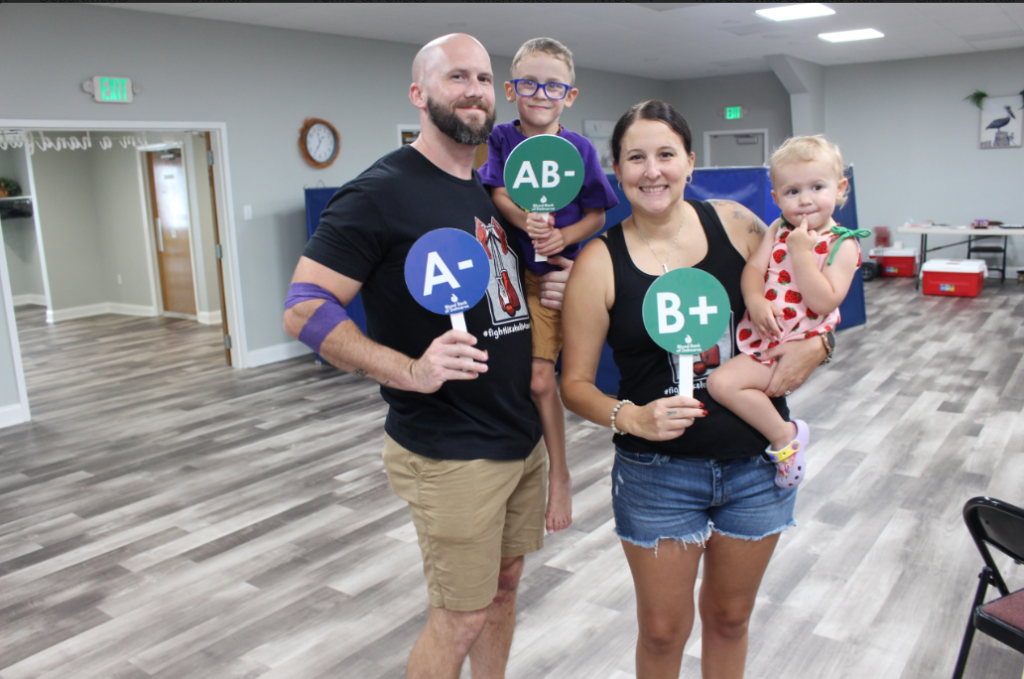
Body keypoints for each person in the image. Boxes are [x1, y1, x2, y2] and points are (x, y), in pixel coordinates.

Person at [283, 34, 559, 679]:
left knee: (506, 584)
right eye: (457, 77)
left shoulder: (482, 189)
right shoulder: (379, 192)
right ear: (419, 95)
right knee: (459, 616)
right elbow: (303, 307)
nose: (475, 91)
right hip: (449, 448)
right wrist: (408, 370)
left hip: (516, 434)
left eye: (485, 79)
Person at [560, 100, 829, 679]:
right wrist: (631, 418)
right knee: (662, 633)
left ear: (690, 161)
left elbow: (808, 303)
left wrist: (821, 347)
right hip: (659, 475)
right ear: (616, 169)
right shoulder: (599, 263)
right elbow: (574, 386)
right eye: (636, 157)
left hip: (759, 465)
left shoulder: (735, 222)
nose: (651, 170)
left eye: (665, 154)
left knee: (731, 619)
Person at [477, 37, 619, 534]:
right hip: (509, 277)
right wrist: (524, 217)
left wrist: (562, 235)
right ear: (512, 89)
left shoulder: (580, 149)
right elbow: (496, 191)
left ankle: (560, 474)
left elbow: (598, 213)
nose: (541, 94)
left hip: (556, 278)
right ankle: (512, 470)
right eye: (530, 84)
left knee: (543, 380)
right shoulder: (500, 138)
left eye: (554, 85)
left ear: (570, 95)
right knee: (507, 381)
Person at [708, 135, 862, 489]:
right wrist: (755, 300)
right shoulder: (778, 228)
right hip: (763, 336)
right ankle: (778, 436)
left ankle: (785, 438)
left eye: (817, 187)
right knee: (723, 383)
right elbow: (754, 270)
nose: (805, 199)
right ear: (776, 198)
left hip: (794, 342)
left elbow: (825, 302)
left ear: (840, 189)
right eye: (792, 192)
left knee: (721, 384)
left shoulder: (844, 243)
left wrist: (802, 253)